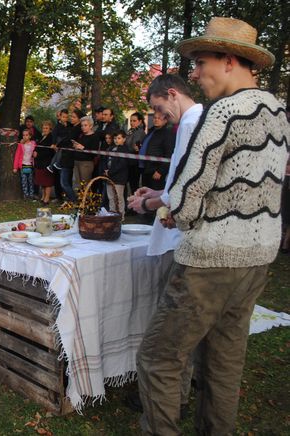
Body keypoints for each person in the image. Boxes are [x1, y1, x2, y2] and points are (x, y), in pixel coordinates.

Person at [135, 17, 290, 435]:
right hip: (258, 258)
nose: (195, 74)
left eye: (200, 63)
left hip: (210, 260)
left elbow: (186, 198)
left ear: (226, 59)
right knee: (224, 360)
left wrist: (164, 210)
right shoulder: (277, 110)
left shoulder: (224, 111)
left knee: (158, 358)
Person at [126, 73, 203, 416]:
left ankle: (171, 398)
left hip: (183, 238)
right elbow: (181, 178)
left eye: (159, 108)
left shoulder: (189, 124)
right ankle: (182, 390)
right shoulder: (192, 122)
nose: (160, 116)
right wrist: (158, 193)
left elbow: (187, 189)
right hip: (181, 229)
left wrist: (150, 204)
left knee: (172, 329)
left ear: (172, 94)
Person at [140, 112, 175, 191]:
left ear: (165, 120)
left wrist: (160, 171)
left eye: (159, 118)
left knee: (154, 196)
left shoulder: (167, 134)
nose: (156, 120)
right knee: (145, 194)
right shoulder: (151, 131)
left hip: (156, 170)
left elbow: (169, 154)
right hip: (146, 168)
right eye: (155, 118)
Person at [34, 120, 55, 205]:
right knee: (42, 181)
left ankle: (47, 198)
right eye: (43, 128)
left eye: (46, 128)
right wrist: (35, 151)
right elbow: (37, 146)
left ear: (50, 129)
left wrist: (38, 153)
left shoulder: (51, 137)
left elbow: (49, 151)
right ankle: (43, 196)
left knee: (47, 182)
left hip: (46, 162)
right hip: (39, 162)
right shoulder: (41, 137)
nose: (44, 129)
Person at [125, 112, 146, 198]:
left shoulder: (139, 132)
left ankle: (134, 206)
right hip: (129, 161)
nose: (132, 123)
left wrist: (124, 147)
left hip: (134, 163)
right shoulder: (131, 131)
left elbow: (134, 147)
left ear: (140, 121)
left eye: (134, 121)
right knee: (130, 185)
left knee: (134, 185)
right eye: (131, 121)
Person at [13, 129, 37, 200]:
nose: (25, 137)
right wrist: (15, 167)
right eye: (23, 135)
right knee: (24, 181)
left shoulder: (33, 143)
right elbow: (17, 156)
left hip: (30, 165)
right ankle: (26, 195)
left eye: (26, 135)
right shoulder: (20, 145)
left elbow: (35, 151)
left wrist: (34, 153)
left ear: (30, 136)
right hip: (23, 165)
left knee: (30, 181)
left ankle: (31, 194)